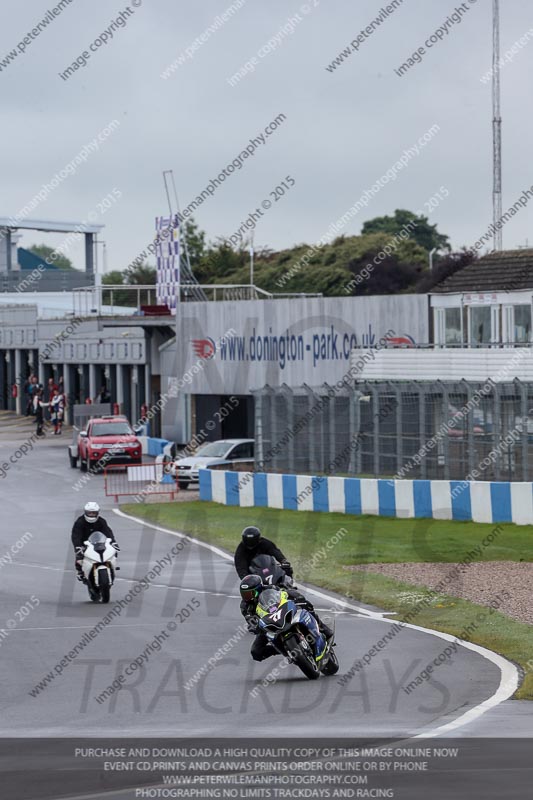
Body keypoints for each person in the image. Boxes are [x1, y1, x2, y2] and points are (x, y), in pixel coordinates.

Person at [239, 574, 333, 662]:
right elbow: (249, 618)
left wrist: (299, 598)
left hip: (283, 612)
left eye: (250, 594)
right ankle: (284, 650)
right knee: (256, 652)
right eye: (244, 594)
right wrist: (254, 626)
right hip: (268, 625)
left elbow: (285, 593)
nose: (247, 597)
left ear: (259, 589)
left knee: (306, 608)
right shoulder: (245, 606)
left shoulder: (270, 588)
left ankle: (323, 628)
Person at [71, 502, 119, 582]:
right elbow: (76, 535)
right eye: (89, 513)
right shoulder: (80, 522)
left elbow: (108, 532)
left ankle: (112, 567)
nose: (91, 515)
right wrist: (78, 546)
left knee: (114, 552)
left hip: (100, 542)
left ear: (97, 513)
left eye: (94, 513)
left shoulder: (101, 521)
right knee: (79, 557)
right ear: (85, 512)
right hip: (85, 544)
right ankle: (80, 572)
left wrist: (113, 542)